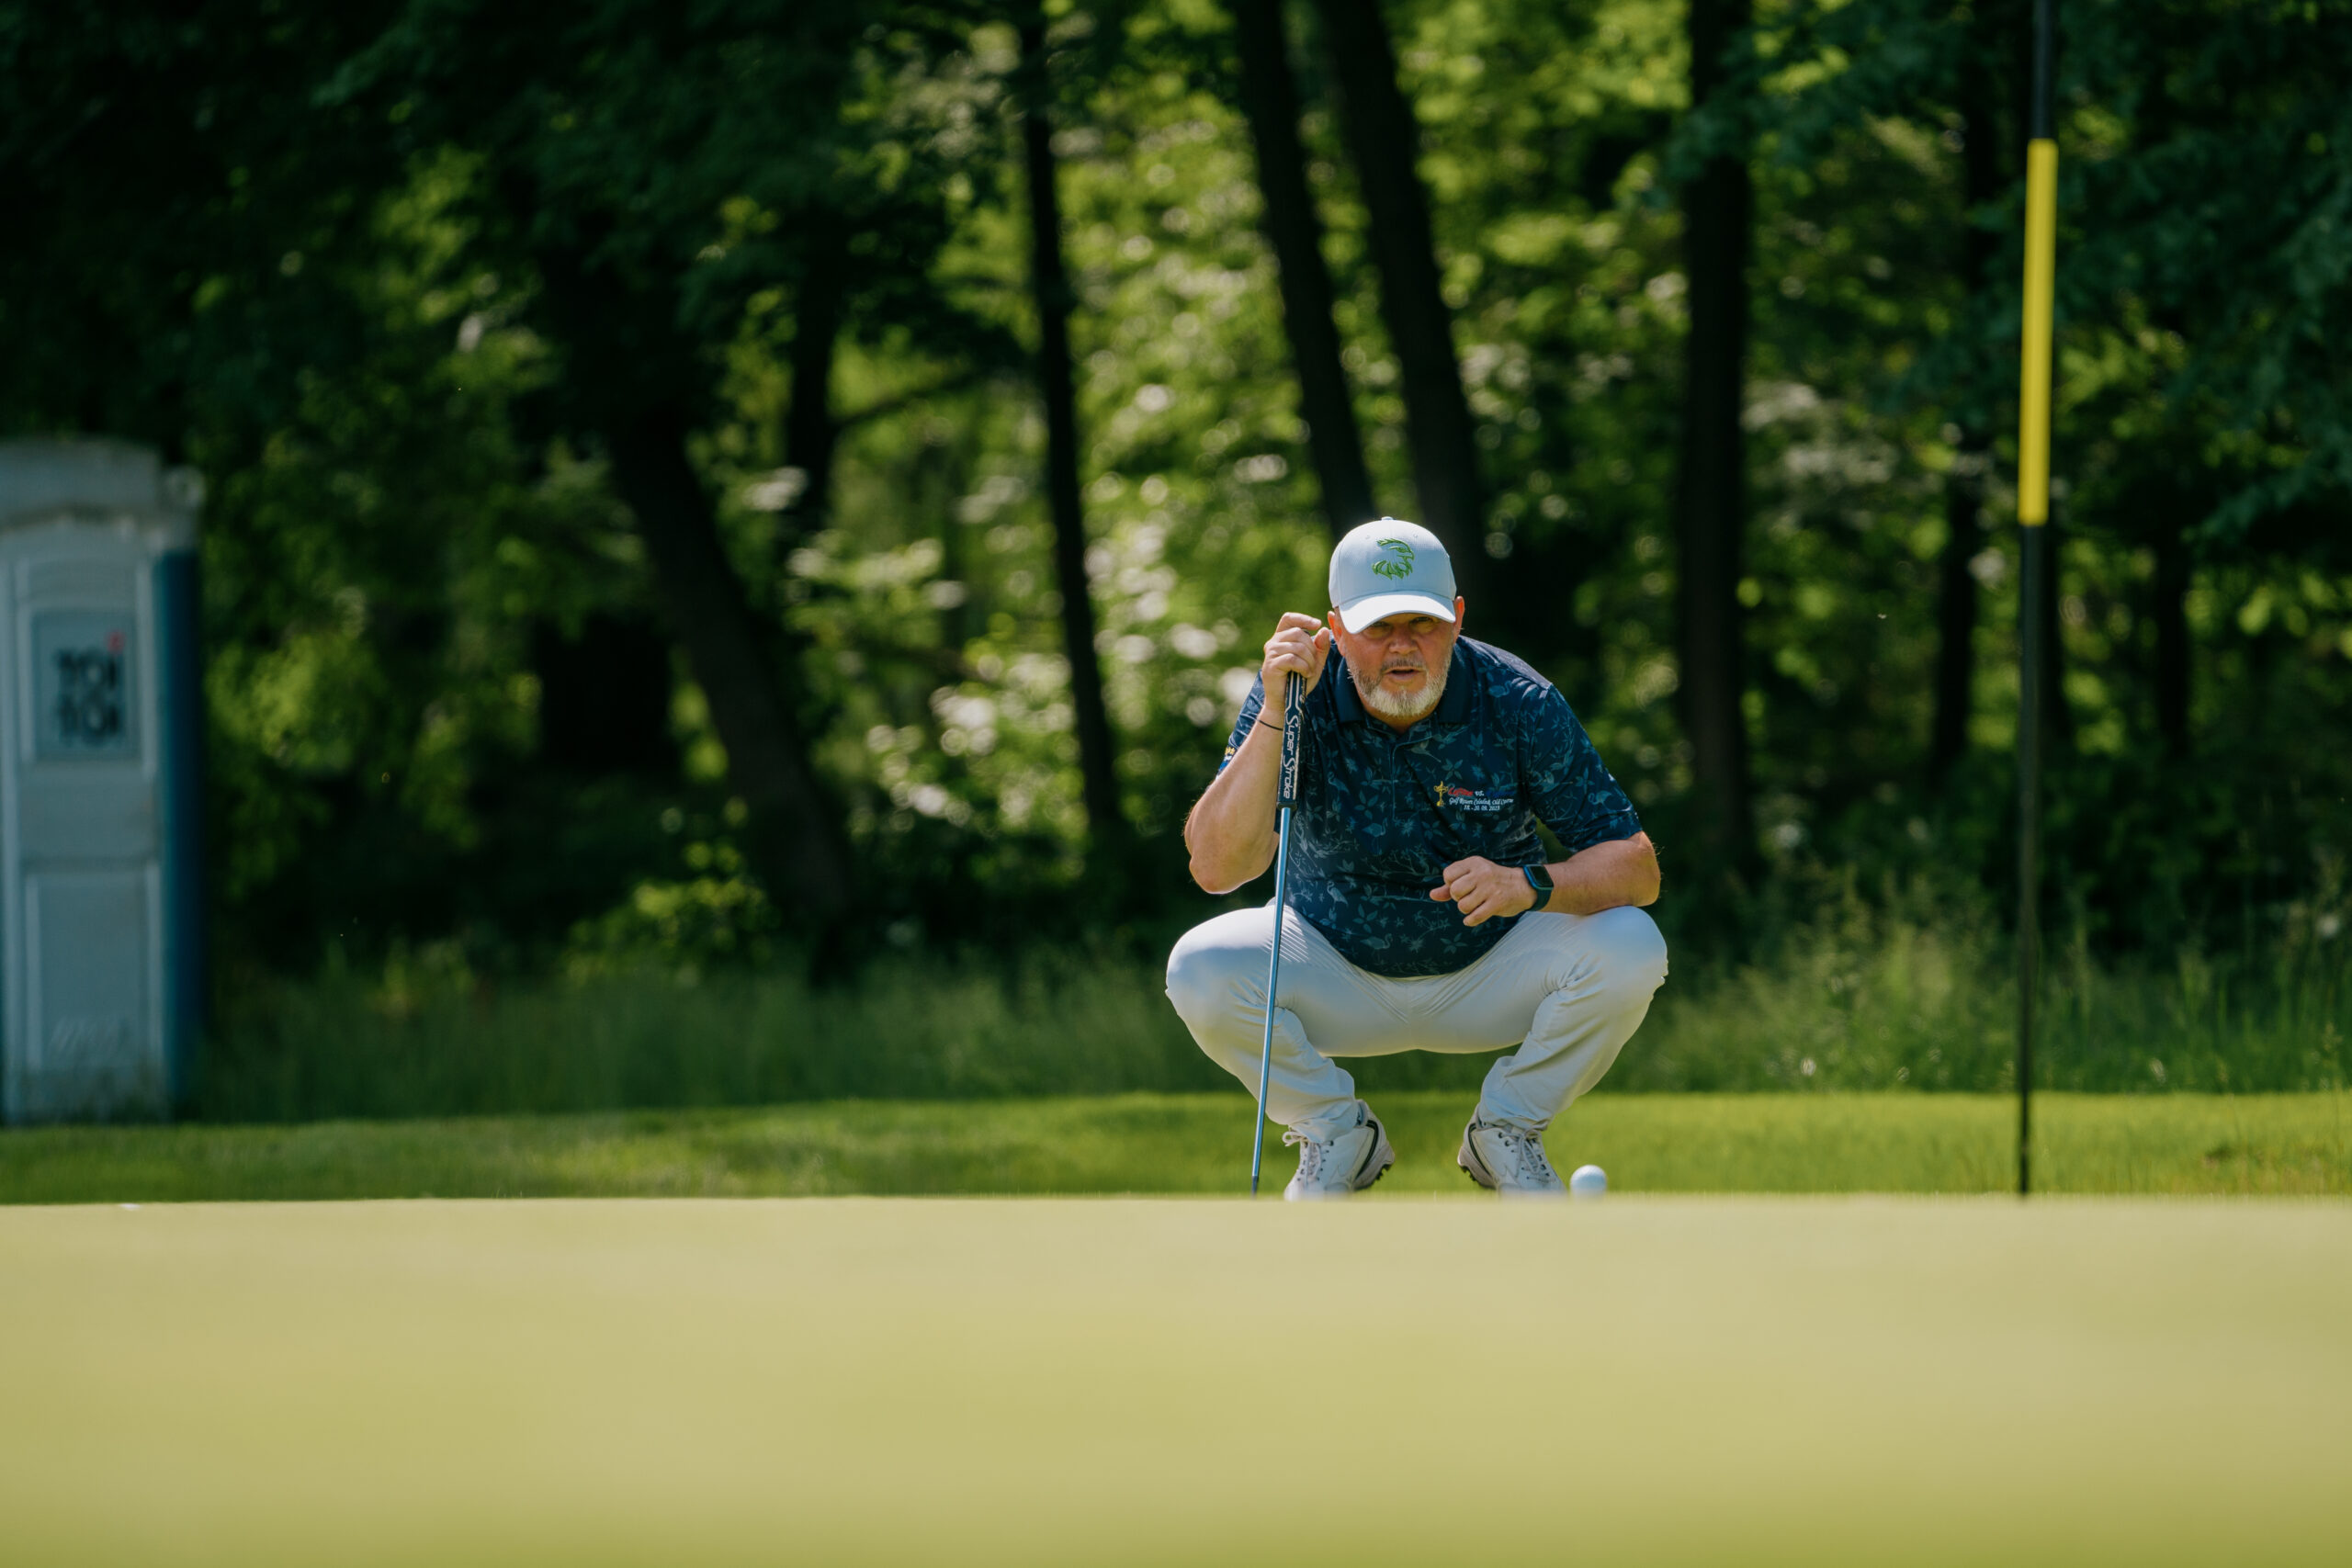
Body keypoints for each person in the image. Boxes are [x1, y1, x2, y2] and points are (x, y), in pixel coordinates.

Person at [1167, 518, 1667, 1199]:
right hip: (1331, 966)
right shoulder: (1293, 694)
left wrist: (1529, 884)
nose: (1402, 646)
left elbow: (1637, 868)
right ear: (1336, 628)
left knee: (1633, 943)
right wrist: (1275, 711)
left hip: (1491, 968)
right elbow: (1217, 869)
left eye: (1422, 623)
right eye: (1378, 626)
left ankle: (1507, 1129)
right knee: (1199, 966)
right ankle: (1336, 1131)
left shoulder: (1517, 699)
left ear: (1457, 618)